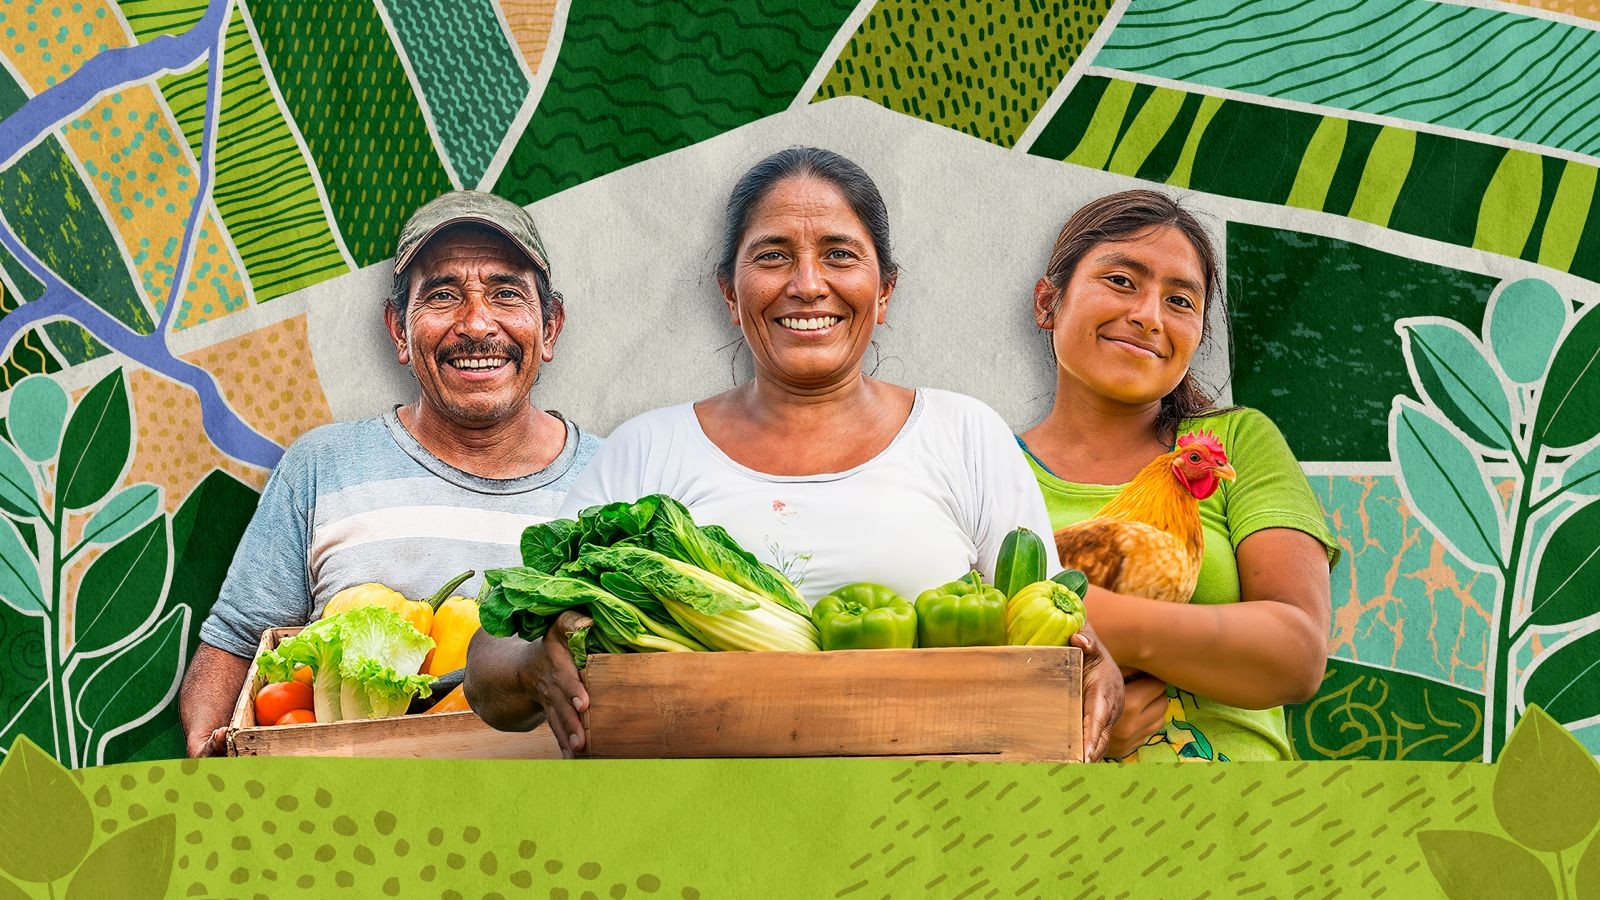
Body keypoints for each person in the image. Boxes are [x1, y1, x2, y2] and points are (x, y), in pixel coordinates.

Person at [466, 147, 1123, 761]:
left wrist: (1094, 661)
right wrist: (532, 661)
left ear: (885, 290)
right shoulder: (648, 449)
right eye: (774, 256)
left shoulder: (966, 435)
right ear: (729, 292)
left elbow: (1047, 627)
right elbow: (492, 665)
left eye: (839, 254)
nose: (807, 284)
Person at [179, 191, 601, 756]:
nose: (476, 323)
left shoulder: (614, 479)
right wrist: (213, 772)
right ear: (399, 330)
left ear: (550, 328)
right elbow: (235, 648)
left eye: (505, 293)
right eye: (443, 295)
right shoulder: (322, 466)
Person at [1016, 190, 1338, 762]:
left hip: (1239, 819)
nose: (1148, 316)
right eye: (1121, 281)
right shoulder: (985, 461)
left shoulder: (1242, 439)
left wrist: (1081, 618)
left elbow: (1296, 653)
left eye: (1181, 301)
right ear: (1048, 302)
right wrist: (1069, 724)